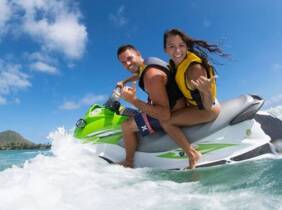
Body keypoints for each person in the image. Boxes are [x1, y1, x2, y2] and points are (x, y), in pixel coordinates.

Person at [116, 44, 200, 169]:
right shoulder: (148, 62)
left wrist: (133, 100)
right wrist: (124, 81)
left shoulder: (151, 75)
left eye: (129, 58)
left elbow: (164, 115)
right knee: (139, 112)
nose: (127, 64)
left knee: (126, 126)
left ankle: (129, 161)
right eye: (123, 62)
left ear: (138, 54)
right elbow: (138, 73)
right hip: (178, 103)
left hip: (173, 111)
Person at [161, 28, 224, 152]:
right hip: (194, 105)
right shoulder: (174, 64)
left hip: (208, 109)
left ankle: (192, 154)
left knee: (166, 122)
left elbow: (207, 106)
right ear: (165, 50)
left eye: (181, 45)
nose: (177, 50)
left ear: (186, 46)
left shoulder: (194, 69)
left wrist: (206, 91)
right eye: (172, 46)